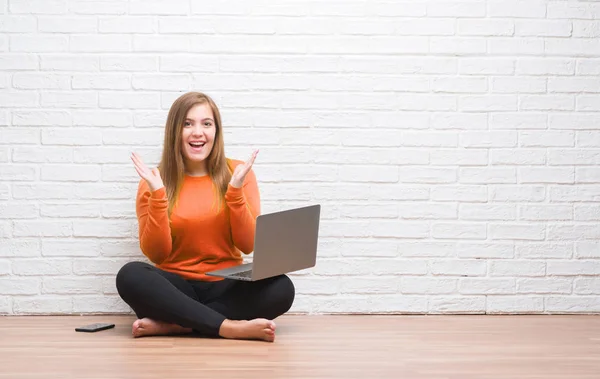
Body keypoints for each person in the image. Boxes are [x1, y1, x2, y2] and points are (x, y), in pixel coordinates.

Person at [115, 91, 295, 342]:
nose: (197, 132)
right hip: (175, 290)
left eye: (206, 124)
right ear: (174, 131)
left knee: (282, 287)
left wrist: (234, 191)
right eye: (187, 123)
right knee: (130, 275)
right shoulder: (154, 180)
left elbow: (247, 244)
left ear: (216, 132)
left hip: (226, 285)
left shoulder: (239, 172)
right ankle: (229, 327)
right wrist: (158, 196)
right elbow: (156, 255)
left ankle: (179, 325)